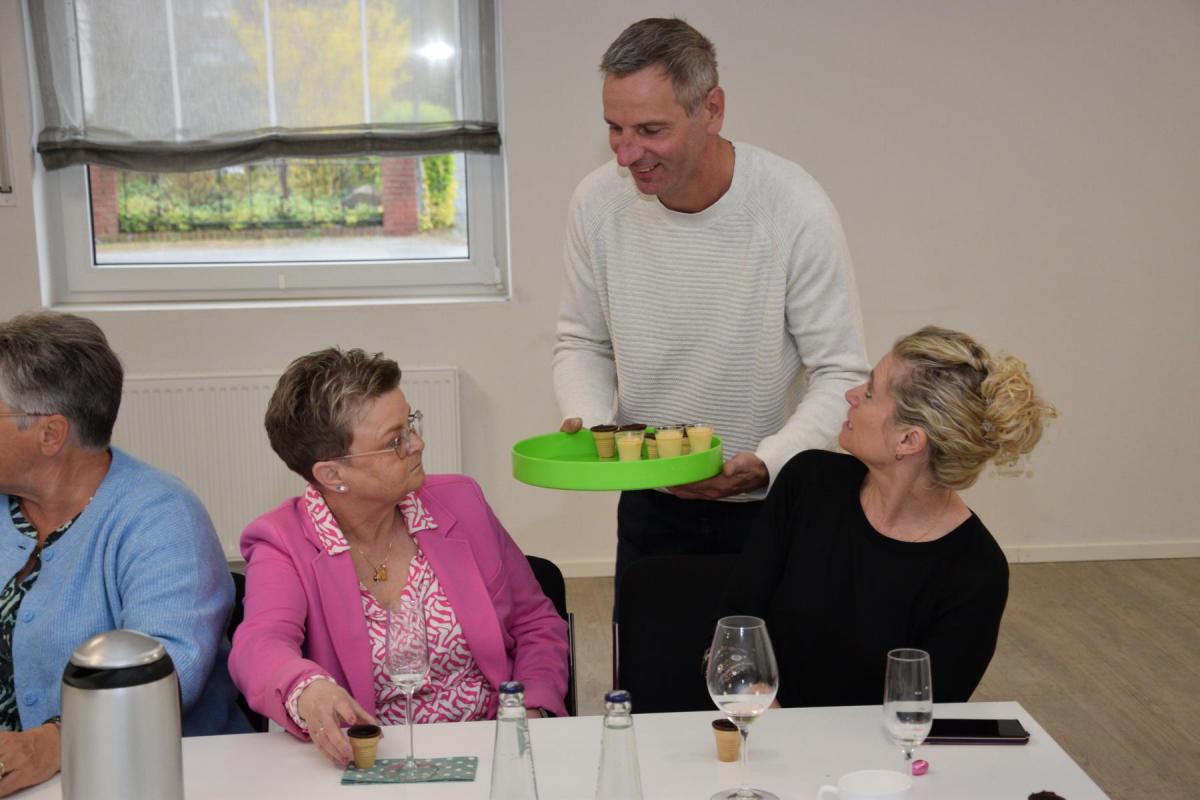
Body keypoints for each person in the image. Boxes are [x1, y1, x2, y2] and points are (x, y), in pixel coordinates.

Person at [553, 17, 869, 586]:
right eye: (615, 129)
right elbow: (583, 341)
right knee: (650, 647)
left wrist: (767, 463)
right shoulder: (596, 202)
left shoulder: (793, 206)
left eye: (651, 129)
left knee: (770, 649)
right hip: (649, 499)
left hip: (773, 505)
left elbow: (840, 372)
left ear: (712, 109)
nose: (627, 154)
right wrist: (600, 429)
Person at [229, 347, 569, 767]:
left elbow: (536, 623)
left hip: (492, 748)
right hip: (374, 762)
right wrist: (309, 689)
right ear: (332, 474)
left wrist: (529, 711)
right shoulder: (283, 541)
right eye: (395, 441)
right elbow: (259, 646)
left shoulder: (461, 502)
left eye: (410, 424)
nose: (417, 443)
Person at [729, 326, 1057, 706]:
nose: (850, 395)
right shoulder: (809, 482)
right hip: (762, 727)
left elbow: (922, 712)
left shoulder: (975, 572)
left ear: (908, 440)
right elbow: (735, 626)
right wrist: (766, 713)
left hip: (872, 747)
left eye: (869, 393)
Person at [0, 312, 248, 797]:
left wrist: (51, 744)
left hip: (147, 780)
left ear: (50, 434)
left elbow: (164, 675)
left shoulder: (161, 516)